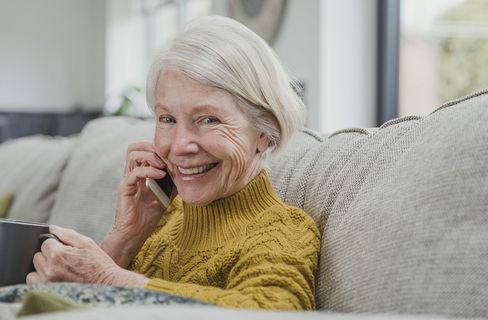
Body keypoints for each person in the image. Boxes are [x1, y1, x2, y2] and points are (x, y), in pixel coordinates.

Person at [26, 15, 320, 311]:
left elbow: (271, 311)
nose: (179, 146)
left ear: (265, 133)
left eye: (208, 119)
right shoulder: (160, 217)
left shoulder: (283, 229)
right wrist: (124, 238)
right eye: (167, 119)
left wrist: (107, 277)